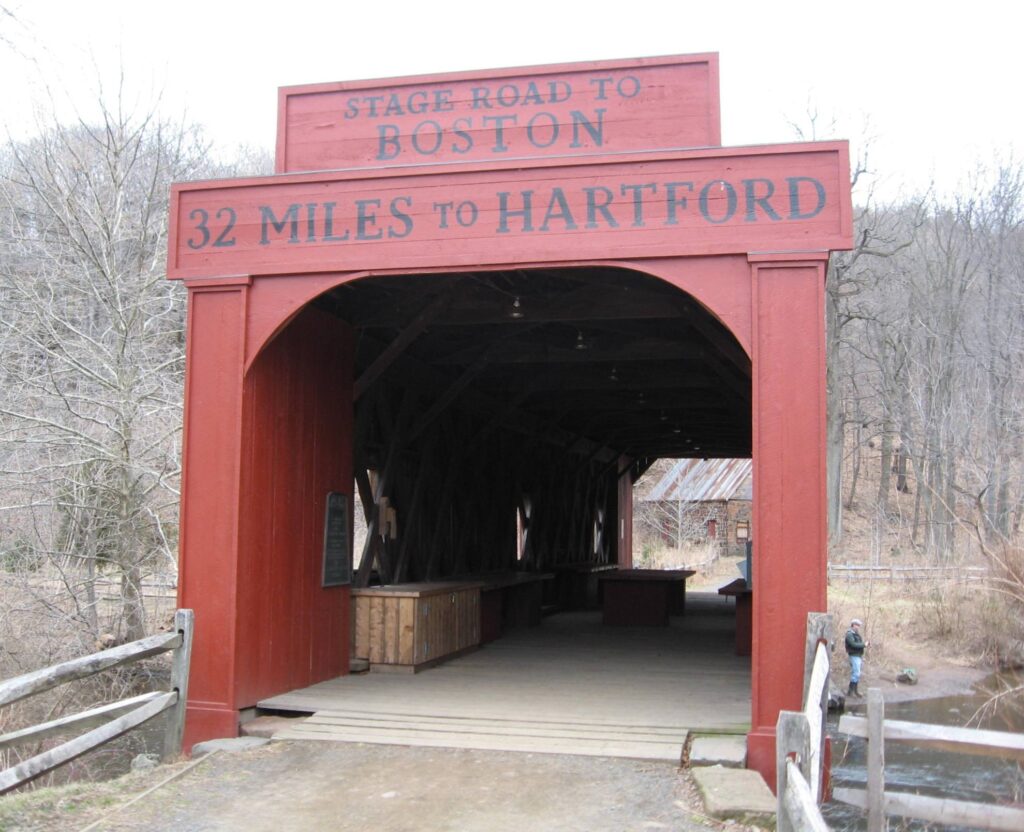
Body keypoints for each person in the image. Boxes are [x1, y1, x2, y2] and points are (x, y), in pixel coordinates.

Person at [845, 618, 868, 697]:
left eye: (859, 625)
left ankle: (854, 691)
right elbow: (853, 644)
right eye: (857, 625)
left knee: (856, 673)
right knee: (856, 673)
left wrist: (864, 644)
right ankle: (851, 692)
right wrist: (864, 645)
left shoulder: (856, 634)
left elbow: (857, 643)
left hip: (858, 655)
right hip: (854, 655)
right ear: (853, 625)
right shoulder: (849, 634)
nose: (858, 627)